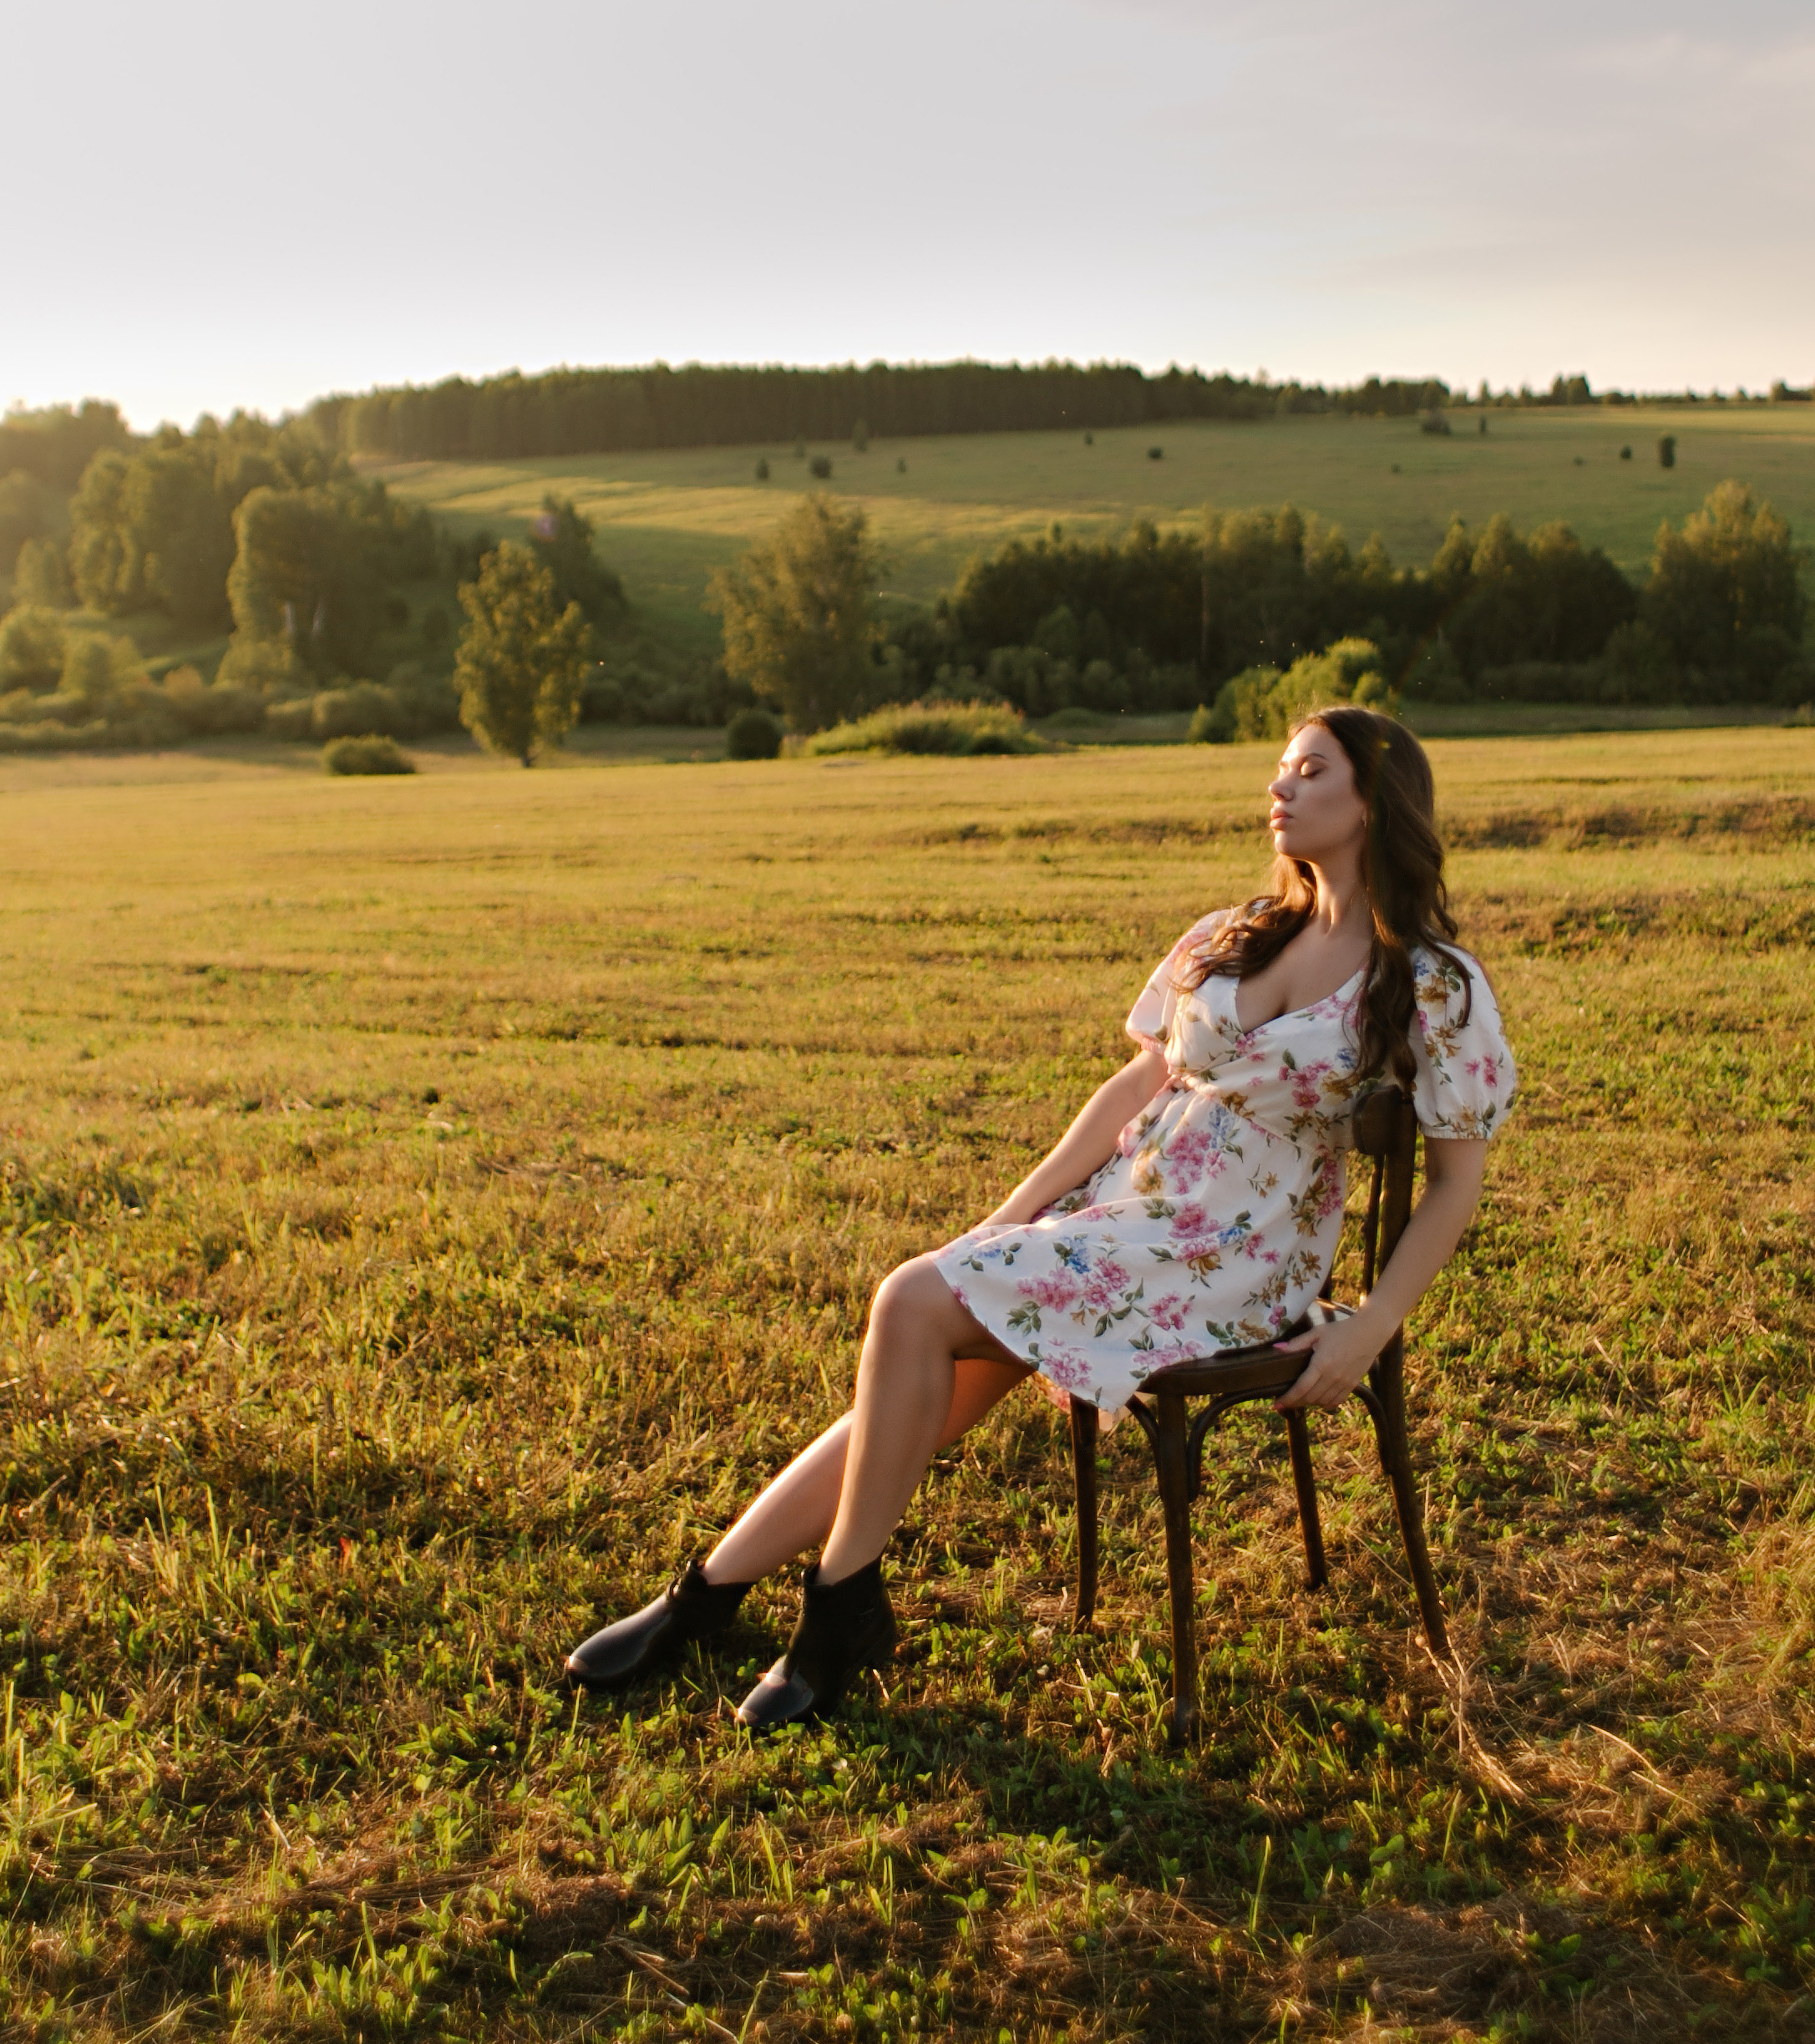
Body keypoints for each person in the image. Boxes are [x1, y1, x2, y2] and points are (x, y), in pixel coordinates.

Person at [565, 703, 1515, 1729]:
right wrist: (1010, 1216)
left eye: (1309, 771)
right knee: (928, 1376)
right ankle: (714, 1596)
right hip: (1125, 1222)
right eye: (1279, 769)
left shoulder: (1430, 981)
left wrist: (1369, 1324)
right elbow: (1135, 1084)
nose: (1277, 788)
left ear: (1374, 801)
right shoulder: (1233, 932)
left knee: (910, 1304)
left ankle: (821, 1611)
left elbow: (1453, 1183)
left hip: (1235, 1262)